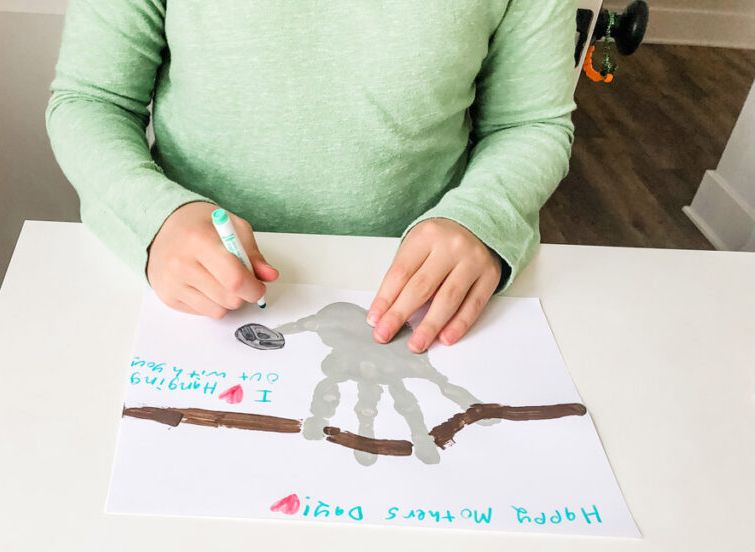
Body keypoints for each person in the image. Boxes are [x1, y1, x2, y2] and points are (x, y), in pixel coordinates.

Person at [46, 0, 576, 353]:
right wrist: (154, 217)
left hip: (422, 291)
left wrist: (480, 218)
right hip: (189, 289)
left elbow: (530, 123)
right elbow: (91, 101)